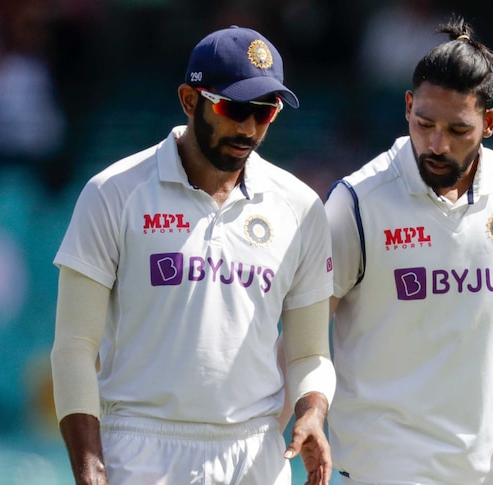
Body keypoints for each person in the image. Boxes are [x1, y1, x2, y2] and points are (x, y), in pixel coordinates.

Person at [50, 26, 336, 485]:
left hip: (255, 454)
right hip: (139, 450)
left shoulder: (301, 208)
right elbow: (73, 348)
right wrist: (91, 469)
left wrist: (312, 411)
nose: (248, 128)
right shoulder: (113, 193)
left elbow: (309, 355)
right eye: (234, 108)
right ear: (189, 99)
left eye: (265, 112)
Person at [325, 17, 493, 485]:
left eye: (458, 129)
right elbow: (305, 335)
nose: (436, 144)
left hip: (479, 473)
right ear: (408, 106)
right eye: (424, 124)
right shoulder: (356, 201)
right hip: (376, 472)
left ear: (489, 123)